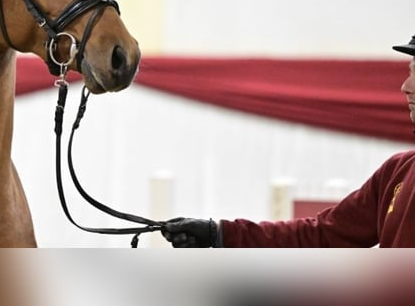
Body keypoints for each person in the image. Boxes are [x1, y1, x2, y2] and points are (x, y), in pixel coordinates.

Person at [162, 35, 415, 248]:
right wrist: (220, 234)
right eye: (409, 72)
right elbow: (321, 235)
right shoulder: (398, 170)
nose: (405, 86)